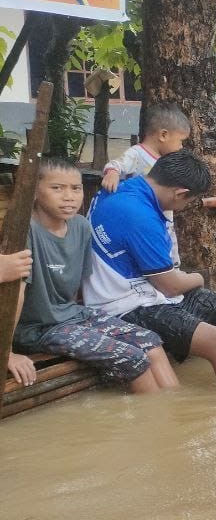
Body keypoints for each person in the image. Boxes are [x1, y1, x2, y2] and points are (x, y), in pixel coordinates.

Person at [85, 150, 216, 387]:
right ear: (181, 194)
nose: (185, 206)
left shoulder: (128, 187)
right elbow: (171, 286)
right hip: (125, 306)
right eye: (188, 201)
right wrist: (198, 277)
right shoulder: (141, 217)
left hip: (149, 291)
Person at [7, 158, 178, 392]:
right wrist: (6, 353)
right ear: (35, 192)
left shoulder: (80, 226)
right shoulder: (25, 232)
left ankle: (173, 412)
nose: (69, 196)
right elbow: (14, 294)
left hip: (73, 315)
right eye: (57, 188)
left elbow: (80, 286)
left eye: (75, 188)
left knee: (150, 341)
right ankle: (157, 419)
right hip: (37, 329)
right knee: (130, 357)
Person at [99, 103, 191, 267]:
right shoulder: (137, 153)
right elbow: (117, 164)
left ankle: (172, 271)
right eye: (180, 141)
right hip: (142, 216)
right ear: (163, 135)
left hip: (164, 215)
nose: (181, 147)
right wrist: (112, 173)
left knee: (169, 244)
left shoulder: (166, 160)